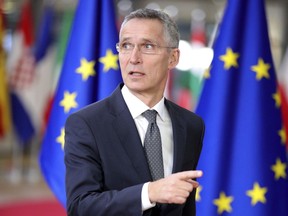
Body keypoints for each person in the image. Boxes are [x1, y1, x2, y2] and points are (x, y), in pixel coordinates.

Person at [64, 8, 205, 216]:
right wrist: (148, 193)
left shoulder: (191, 125)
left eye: (147, 46)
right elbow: (80, 207)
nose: (133, 58)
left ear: (173, 58)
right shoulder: (87, 124)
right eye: (126, 46)